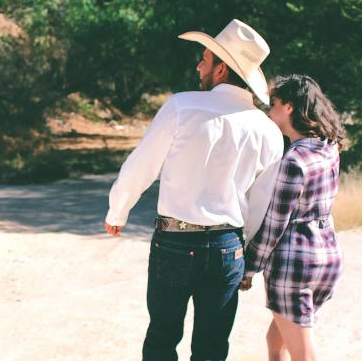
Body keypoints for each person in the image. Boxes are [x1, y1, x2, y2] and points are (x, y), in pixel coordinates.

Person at [103, 19, 284, 361]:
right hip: (227, 248)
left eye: (205, 59)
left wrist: (118, 210)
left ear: (221, 70)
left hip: (174, 242)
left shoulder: (182, 106)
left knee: (161, 340)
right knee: (213, 347)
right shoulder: (268, 131)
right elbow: (262, 204)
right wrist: (242, 252)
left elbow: (143, 164)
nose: (198, 64)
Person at [241, 74, 345, 361]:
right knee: (276, 343)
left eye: (273, 103)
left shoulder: (293, 161)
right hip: (327, 258)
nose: (268, 110)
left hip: (294, 266)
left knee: (303, 355)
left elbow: (276, 225)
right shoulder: (328, 148)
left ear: (288, 108)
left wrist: (249, 268)